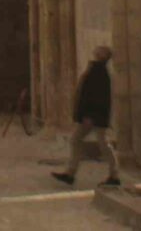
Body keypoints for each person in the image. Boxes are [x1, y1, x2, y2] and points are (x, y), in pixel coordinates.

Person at [51, 44, 121, 188]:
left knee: (96, 143)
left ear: (103, 56)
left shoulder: (99, 71)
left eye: (100, 50)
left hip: (93, 116)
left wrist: (89, 115)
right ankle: (71, 173)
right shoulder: (96, 69)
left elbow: (96, 96)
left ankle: (113, 175)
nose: (96, 49)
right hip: (93, 115)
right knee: (86, 141)